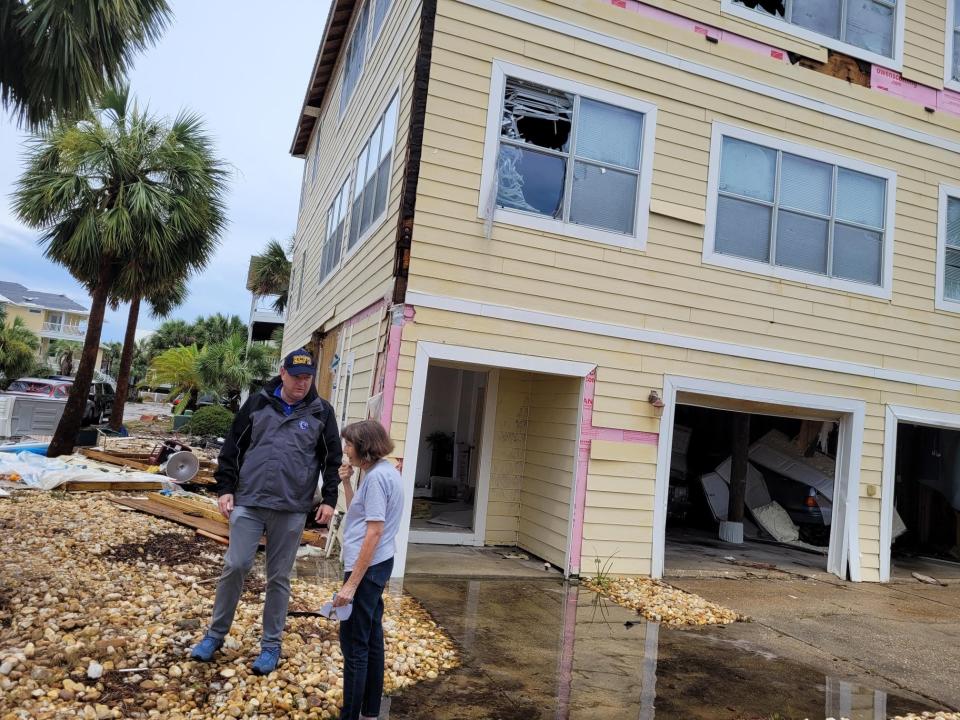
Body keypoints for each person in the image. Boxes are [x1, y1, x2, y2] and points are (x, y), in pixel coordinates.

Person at [189, 348, 342, 675]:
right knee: (236, 565)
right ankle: (215, 635)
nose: (302, 383)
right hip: (250, 500)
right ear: (283, 373)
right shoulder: (257, 404)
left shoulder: (321, 412)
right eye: (296, 376)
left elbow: (332, 460)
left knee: (279, 577)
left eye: (307, 377)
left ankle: (271, 645)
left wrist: (329, 498)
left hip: (291, 507)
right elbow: (233, 447)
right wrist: (225, 487)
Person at [334, 420, 404, 720]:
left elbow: (373, 532)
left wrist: (350, 586)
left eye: (349, 444)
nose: (345, 449)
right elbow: (359, 517)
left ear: (364, 446)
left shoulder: (376, 479)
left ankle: (350, 715)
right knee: (372, 636)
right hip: (379, 563)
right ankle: (370, 712)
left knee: (354, 644)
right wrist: (347, 483)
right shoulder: (383, 472)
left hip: (366, 567)